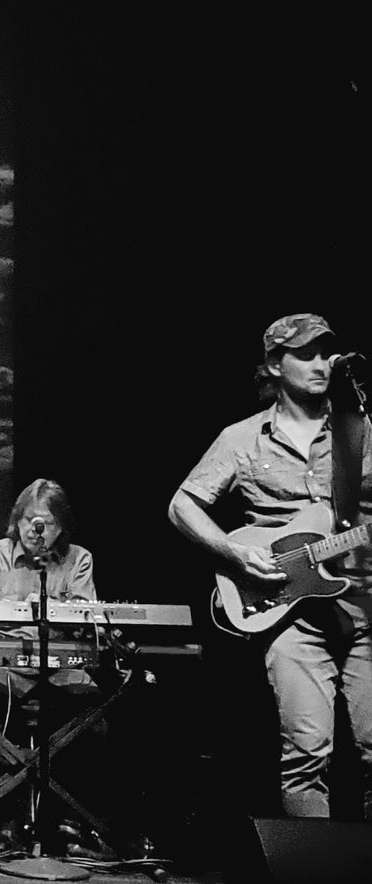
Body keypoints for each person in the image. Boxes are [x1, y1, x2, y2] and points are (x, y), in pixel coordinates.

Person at [169, 313, 371, 819]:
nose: (321, 364)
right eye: (305, 354)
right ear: (276, 365)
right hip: (292, 614)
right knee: (306, 754)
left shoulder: (359, 428)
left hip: (365, 606)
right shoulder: (242, 438)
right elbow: (182, 506)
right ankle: (312, 861)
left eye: (325, 353)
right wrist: (234, 552)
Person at [0, 478, 107, 851]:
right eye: (29, 520)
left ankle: (66, 821)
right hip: (6, 664)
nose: (35, 530)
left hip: (62, 665)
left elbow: (85, 616)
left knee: (90, 717)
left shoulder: (79, 559)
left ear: (61, 527)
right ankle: (4, 818)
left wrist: (42, 609)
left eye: (47, 523)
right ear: (17, 519)